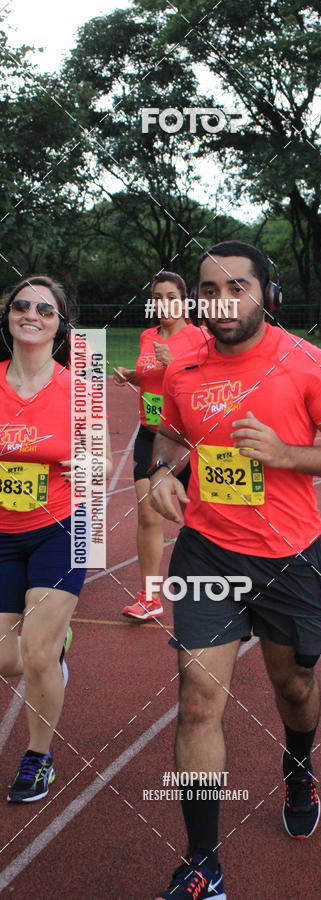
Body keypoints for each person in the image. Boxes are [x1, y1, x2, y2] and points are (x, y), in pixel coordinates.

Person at [148, 241, 321, 899]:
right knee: (197, 702)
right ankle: (201, 864)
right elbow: (170, 432)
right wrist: (162, 470)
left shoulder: (312, 364)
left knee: (294, 686)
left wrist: (286, 454)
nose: (222, 301)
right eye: (209, 290)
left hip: (287, 558)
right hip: (206, 552)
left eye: (237, 287)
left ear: (266, 296)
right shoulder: (183, 365)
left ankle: (298, 766)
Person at [0, 275, 113, 802]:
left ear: (58, 325)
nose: (31, 314)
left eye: (43, 309)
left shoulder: (79, 389)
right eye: (21, 305)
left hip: (61, 529)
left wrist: (85, 462)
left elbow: (103, 463)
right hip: (2, 534)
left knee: (37, 654)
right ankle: (56, 642)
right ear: (8, 317)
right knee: (8, 659)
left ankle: (38, 756)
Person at [113, 272, 206, 620]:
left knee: (201, 516)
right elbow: (149, 376)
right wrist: (130, 375)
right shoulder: (147, 336)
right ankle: (150, 596)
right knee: (148, 512)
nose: (163, 303)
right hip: (151, 433)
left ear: (185, 302)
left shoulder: (200, 338)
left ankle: (219, 591)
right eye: (157, 296)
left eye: (171, 296)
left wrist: (176, 364)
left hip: (187, 438)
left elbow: (209, 384)